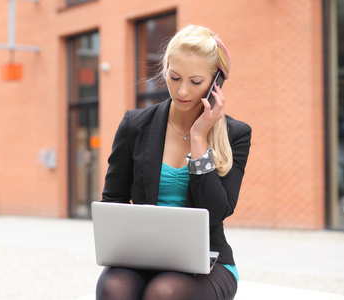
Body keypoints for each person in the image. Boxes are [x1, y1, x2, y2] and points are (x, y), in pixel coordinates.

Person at [96, 24, 252, 300]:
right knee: (114, 289)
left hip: (208, 263)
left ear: (217, 83)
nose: (182, 91)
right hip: (141, 257)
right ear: (165, 67)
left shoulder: (236, 134)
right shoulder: (135, 126)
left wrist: (199, 137)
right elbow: (113, 202)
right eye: (175, 76)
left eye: (195, 82)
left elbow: (216, 213)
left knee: (165, 292)